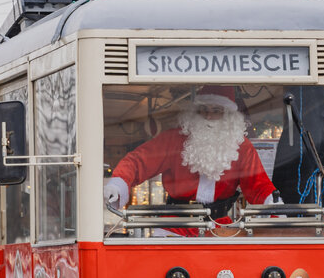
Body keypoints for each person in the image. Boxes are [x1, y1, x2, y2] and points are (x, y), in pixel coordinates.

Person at [104, 86, 278, 226]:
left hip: (219, 227)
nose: (208, 116)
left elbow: (258, 184)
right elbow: (139, 161)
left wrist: (274, 205)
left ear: (228, 115)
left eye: (216, 110)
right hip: (176, 225)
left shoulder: (242, 147)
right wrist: (119, 182)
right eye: (204, 109)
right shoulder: (174, 139)